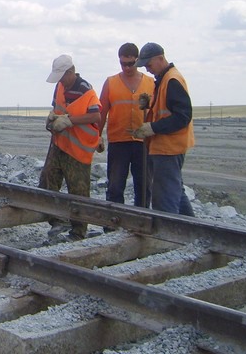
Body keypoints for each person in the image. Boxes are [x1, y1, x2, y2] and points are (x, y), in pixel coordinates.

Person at [39, 54, 101, 242]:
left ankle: (78, 232)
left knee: (78, 191)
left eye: (62, 77)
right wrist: (52, 119)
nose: (60, 82)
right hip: (59, 144)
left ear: (71, 72)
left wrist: (69, 121)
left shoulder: (85, 89)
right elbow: (57, 108)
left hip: (78, 150)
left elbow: (95, 116)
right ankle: (58, 221)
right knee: (48, 180)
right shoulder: (60, 86)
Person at [132, 43, 195, 215]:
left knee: (164, 198)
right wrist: (150, 103)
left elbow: (182, 116)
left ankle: (167, 229)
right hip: (167, 147)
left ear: (160, 58)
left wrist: (153, 127)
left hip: (169, 148)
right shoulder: (164, 78)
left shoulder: (172, 80)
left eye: (149, 64)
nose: (147, 69)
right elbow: (165, 107)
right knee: (175, 191)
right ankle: (192, 227)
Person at [98, 43, 154, 208]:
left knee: (143, 186)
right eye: (123, 64)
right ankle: (113, 218)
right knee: (115, 186)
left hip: (143, 143)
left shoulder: (150, 83)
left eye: (130, 63)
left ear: (138, 60)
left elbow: (156, 112)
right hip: (118, 142)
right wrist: (97, 136)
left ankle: (141, 218)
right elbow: (102, 112)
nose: (127, 68)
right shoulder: (111, 83)